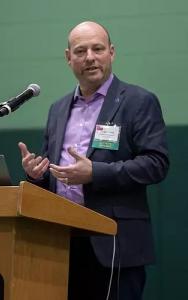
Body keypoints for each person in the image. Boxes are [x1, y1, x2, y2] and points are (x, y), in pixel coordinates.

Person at [18, 21, 169, 300]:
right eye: (81, 51)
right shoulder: (58, 109)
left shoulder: (138, 101)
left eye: (98, 49)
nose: (90, 57)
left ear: (111, 52)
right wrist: (37, 175)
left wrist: (95, 173)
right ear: (68, 58)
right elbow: (55, 173)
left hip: (114, 244)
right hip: (61, 244)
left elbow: (156, 163)